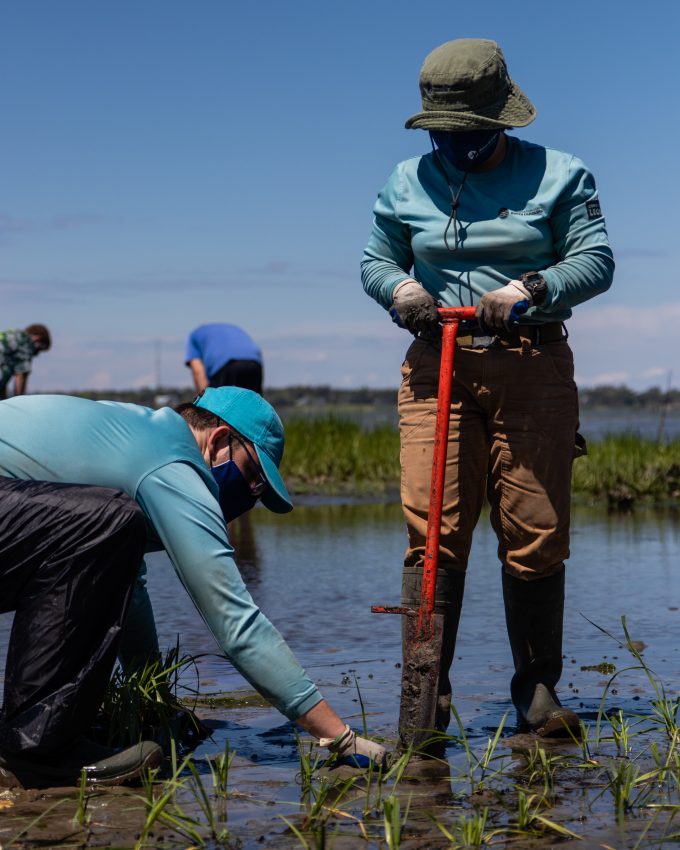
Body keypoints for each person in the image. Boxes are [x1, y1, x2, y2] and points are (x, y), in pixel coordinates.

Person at [361, 38, 614, 739]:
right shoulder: (405, 181)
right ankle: (427, 698)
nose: (458, 145)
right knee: (432, 533)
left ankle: (536, 689)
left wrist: (533, 287)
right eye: (446, 133)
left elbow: (595, 261)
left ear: (503, 121)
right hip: (435, 362)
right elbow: (376, 258)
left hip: (531, 363)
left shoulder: (561, 175)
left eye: (471, 133)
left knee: (534, 530)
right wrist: (403, 287)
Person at [0, 387, 386, 788]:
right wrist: (340, 738)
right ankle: (37, 752)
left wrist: (155, 704)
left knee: (108, 528)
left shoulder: (144, 437)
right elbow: (236, 624)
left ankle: (40, 734)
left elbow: (125, 590)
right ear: (219, 440)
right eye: (253, 478)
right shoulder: (172, 463)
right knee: (105, 520)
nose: (251, 497)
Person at [186, 323, 263, 395]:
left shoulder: (193, 336)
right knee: (253, 404)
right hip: (254, 362)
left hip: (225, 364)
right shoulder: (234, 329)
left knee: (217, 405)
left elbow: (198, 371)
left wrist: (204, 402)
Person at [0, 324, 52, 399]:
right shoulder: (26, 344)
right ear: (37, 338)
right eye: (40, 348)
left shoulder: (11, 335)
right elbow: (21, 375)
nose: (37, 352)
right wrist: (19, 400)